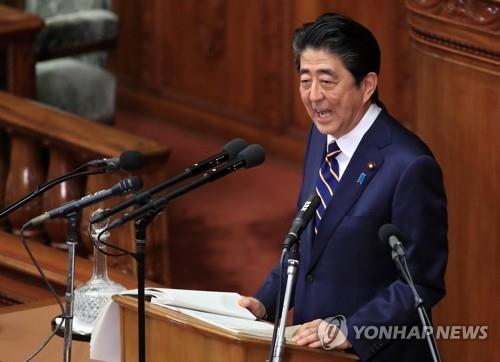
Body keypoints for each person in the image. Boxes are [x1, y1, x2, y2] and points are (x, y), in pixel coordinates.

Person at [239, 13, 448, 362]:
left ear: (366, 85)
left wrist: (352, 330)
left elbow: (422, 282)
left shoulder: (409, 166)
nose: (313, 96)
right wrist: (265, 303)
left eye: (327, 81)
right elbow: (307, 242)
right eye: (305, 80)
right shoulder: (322, 136)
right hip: (312, 351)